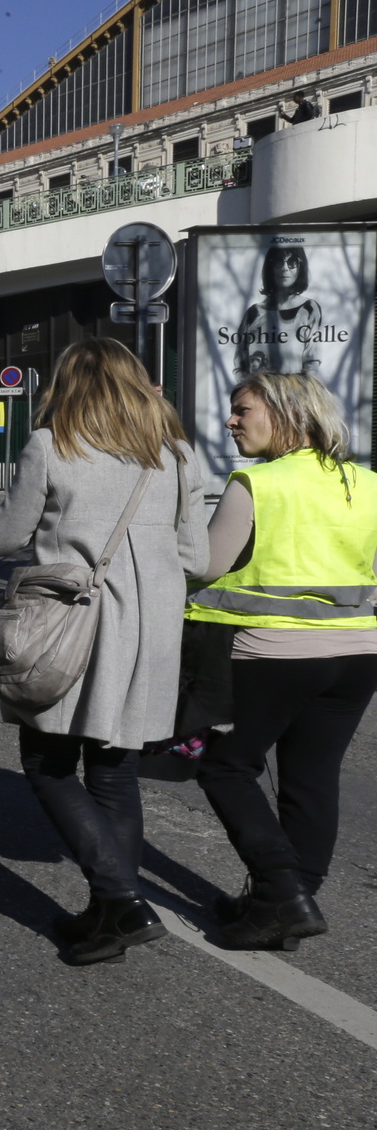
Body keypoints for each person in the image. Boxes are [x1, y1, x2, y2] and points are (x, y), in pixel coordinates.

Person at [0, 338, 207, 964]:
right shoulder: (176, 453)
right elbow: (198, 558)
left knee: (47, 763)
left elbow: (4, 537)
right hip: (151, 631)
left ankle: (122, 901)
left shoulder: (52, 445)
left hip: (73, 625)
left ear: (67, 387)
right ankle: (111, 913)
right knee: (116, 773)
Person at [187, 372, 377, 949]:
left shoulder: (257, 482)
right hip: (358, 653)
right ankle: (286, 901)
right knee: (312, 777)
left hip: (272, 651)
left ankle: (282, 891)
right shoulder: (366, 483)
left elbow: (208, 565)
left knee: (225, 765)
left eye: (242, 410)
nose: (231, 421)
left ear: (287, 413)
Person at [236, 245, 322, 377]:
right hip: (258, 394)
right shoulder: (253, 313)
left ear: (300, 267)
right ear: (270, 267)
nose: (284, 268)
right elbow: (240, 365)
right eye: (278, 261)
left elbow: (312, 362)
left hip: (294, 394)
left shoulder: (309, 309)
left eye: (292, 262)